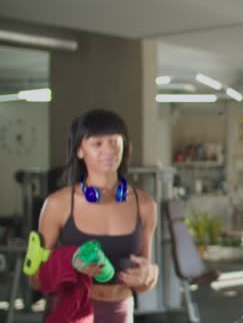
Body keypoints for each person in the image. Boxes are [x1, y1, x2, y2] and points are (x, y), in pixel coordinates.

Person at [30, 109, 159, 322]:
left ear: (124, 146)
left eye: (114, 142)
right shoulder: (58, 204)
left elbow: (143, 284)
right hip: (72, 311)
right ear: (80, 150)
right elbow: (35, 280)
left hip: (120, 312)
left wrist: (151, 275)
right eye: (97, 144)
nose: (108, 150)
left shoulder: (144, 204)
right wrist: (71, 266)